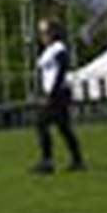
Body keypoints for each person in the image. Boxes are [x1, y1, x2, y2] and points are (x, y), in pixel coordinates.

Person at [32, 19, 87, 174]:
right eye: (41, 33)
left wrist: (52, 93)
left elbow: (62, 70)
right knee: (64, 128)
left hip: (58, 94)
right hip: (53, 93)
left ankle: (47, 162)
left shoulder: (59, 48)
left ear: (53, 33)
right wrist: (41, 91)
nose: (42, 36)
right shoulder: (47, 51)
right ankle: (78, 161)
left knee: (41, 124)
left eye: (45, 32)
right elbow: (45, 74)